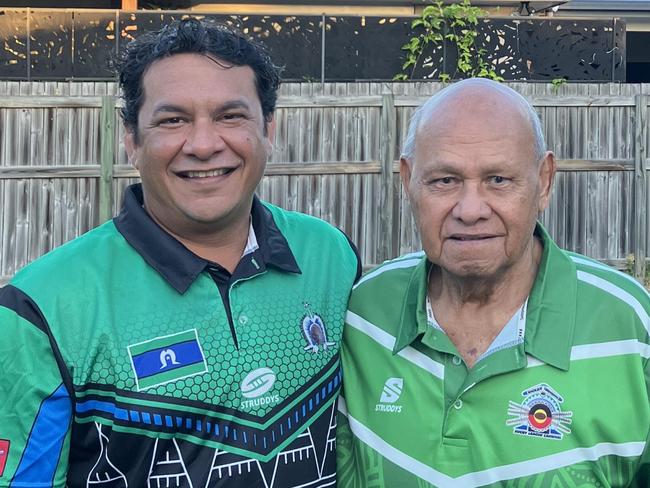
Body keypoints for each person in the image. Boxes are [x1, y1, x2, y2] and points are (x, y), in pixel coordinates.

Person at [0, 18, 359, 487]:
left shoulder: (332, 256)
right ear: (131, 138)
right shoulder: (41, 307)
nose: (205, 144)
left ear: (269, 128)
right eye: (173, 120)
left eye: (231, 116)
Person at [337, 78, 650, 487]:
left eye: (498, 180)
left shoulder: (630, 324)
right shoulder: (361, 313)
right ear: (407, 182)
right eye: (444, 180)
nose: (470, 210)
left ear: (545, 182)